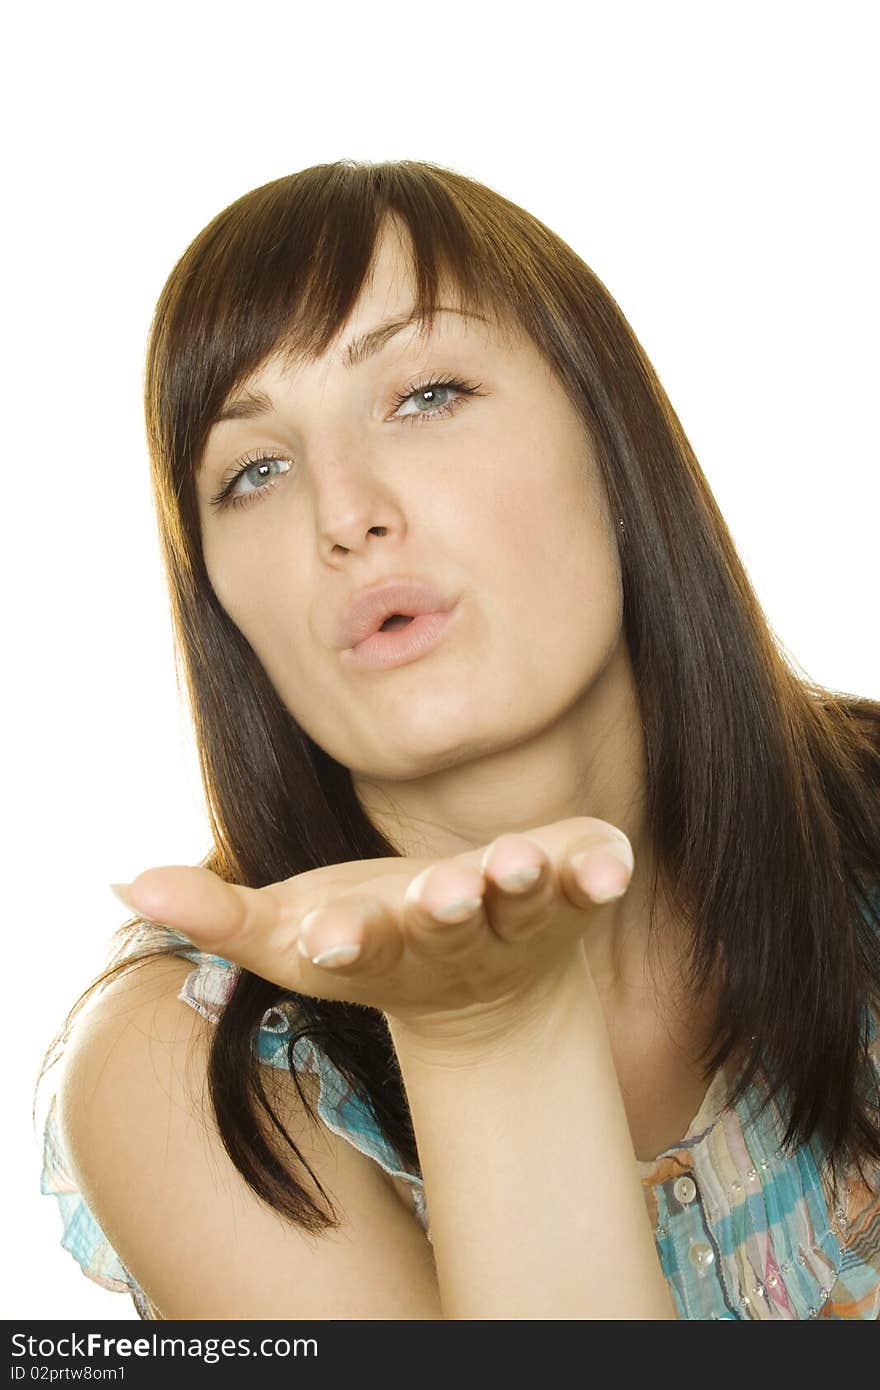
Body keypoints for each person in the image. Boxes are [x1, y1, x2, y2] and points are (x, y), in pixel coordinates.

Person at [37, 158, 880, 1321]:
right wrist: (486, 1028)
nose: (344, 513)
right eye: (255, 470)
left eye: (424, 396)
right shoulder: (191, 1082)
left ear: (613, 440)